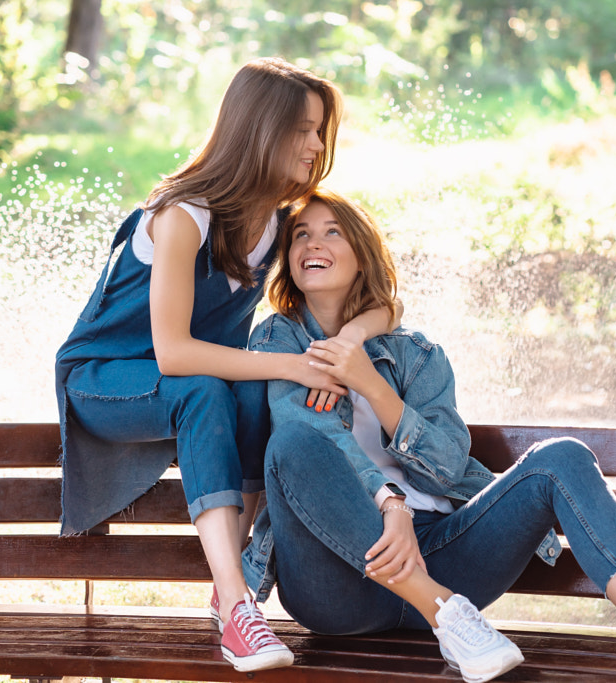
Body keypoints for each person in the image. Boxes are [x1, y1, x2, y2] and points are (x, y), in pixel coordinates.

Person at [243, 188, 616, 683]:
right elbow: (314, 437)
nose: (313, 243)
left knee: (562, 457)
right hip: (337, 582)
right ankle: (445, 613)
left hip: (444, 558)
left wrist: (371, 384)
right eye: (301, 235)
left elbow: (447, 465)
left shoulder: (417, 354)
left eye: (332, 232)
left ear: (362, 256)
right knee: (293, 444)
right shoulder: (277, 340)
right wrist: (391, 505)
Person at [54, 59, 399, 673]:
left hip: (193, 384)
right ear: (260, 130)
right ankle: (239, 605)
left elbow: (385, 303)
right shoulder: (183, 216)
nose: (316, 145)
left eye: (319, 130)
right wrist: (295, 367)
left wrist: (345, 343)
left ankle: (228, 596)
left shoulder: (280, 222)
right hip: (104, 379)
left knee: (242, 389)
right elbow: (172, 354)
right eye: (302, 130)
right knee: (211, 388)